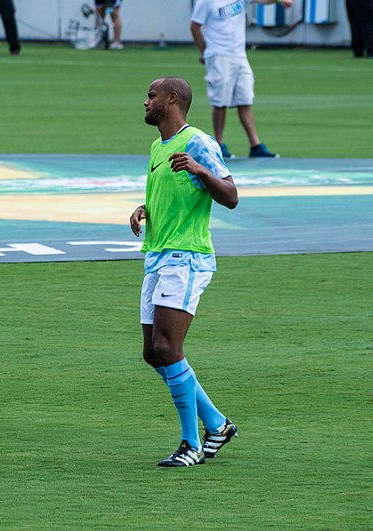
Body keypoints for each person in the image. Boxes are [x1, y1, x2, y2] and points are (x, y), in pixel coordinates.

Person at [129, 77, 239, 467]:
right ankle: (218, 424)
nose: (145, 102)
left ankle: (190, 443)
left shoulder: (198, 143)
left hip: (186, 257)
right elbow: (171, 195)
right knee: (151, 353)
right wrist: (144, 210)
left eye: (151, 95)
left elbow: (231, 196)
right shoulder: (158, 146)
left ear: (172, 99)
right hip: (158, 256)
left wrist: (199, 169)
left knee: (167, 348)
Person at [190, 0, 293, 159]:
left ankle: (255, 145)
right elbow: (195, 26)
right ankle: (219, 144)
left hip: (239, 54)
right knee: (220, 102)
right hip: (218, 54)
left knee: (245, 100)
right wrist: (205, 51)